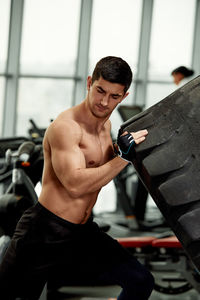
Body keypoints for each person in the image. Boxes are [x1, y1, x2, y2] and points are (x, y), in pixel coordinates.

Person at [0, 56, 154, 300]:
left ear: (124, 97)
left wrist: (119, 149)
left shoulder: (105, 126)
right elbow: (74, 184)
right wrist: (123, 159)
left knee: (140, 281)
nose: (104, 102)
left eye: (114, 96)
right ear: (90, 82)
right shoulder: (66, 126)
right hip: (43, 232)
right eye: (100, 90)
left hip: (81, 233)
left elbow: (97, 160)